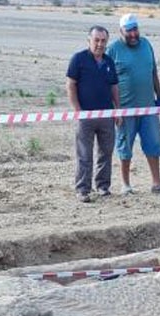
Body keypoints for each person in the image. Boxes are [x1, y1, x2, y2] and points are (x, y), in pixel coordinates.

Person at [107, 13, 160, 195]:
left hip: (149, 107)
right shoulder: (113, 50)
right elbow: (107, 82)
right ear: (121, 31)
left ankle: (157, 183)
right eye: (129, 31)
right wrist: (115, 110)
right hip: (125, 109)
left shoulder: (146, 45)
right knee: (125, 146)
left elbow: (153, 73)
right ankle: (126, 185)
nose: (133, 34)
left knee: (154, 144)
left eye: (135, 29)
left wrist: (159, 97)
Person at [66, 26, 121, 201]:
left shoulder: (109, 62)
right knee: (85, 154)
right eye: (96, 40)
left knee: (106, 152)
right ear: (89, 40)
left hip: (106, 115)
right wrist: (77, 111)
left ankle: (103, 186)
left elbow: (114, 87)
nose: (100, 44)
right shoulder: (78, 59)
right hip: (86, 116)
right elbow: (70, 84)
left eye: (103, 41)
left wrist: (117, 110)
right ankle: (83, 189)